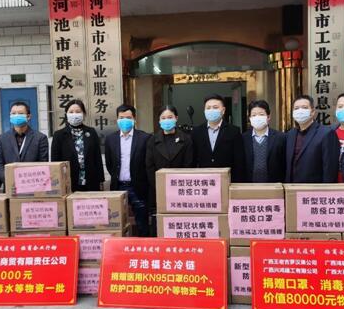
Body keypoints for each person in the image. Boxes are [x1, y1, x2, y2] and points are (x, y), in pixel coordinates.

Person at [146, 105, 194, 233]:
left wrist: (177, 187)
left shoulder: (186, 139)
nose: (166, 120)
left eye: (170, 117)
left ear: (176, 118)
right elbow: (149, 166)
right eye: (163, 118)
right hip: (158, 191)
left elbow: (189, 165)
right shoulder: (152, 140)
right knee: (159, 226)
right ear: (159, 120)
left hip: (181, 190)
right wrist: (160, 186)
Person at [104, 105, 151, 236]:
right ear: (117, 119)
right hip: (118, 186)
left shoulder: (145, 138)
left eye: (128, 118)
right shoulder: (110, 139)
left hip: (138, 187)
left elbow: (147, 163)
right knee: (116, 222)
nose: (125, 120)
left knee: (142, 224)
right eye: (121, 118)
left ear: (134, 119)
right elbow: (109, 163)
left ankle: (143, 246)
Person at [51, 99, 104, 192]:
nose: (74, 114)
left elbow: (97, 158)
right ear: (66, 114)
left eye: (78, 112)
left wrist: (101, 180)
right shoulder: (59, 135)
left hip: (91, 182)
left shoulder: (91, 132)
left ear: (84, 114)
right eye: (71, 112)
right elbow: (55, 161)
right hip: (69, 182)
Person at [191, 94, 245, 182]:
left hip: (226, 180)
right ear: (204, 111)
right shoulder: (197, 132)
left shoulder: (234, 131)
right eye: (208, 108)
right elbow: (193, 159)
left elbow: (239, 161)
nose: (211, 110)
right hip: (203, 181)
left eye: (215, 107)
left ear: (223, 110)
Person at [285, 95, 339, 183]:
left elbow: (330, 169)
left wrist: (327, 189)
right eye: (296, 108)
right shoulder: (290, 134)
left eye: (304, 107)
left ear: (313, 112)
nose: (300, 111)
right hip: (291, 188)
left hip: (314, 189)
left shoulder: (326, 133)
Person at [0, 101, 48, 185]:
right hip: (10, 185)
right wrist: (9, 180)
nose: (16, 116)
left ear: (28, 116)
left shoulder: (40, 138)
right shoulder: (1, 139)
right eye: (13, 113)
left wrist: (28, 181)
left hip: (33, 185)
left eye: (20, 113)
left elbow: (43, 163)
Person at [242, 99, 286, 183]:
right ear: (249, 118)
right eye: (254, 115)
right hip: (249, 185)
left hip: (274, 186)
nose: (257, 117)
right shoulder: (243, 139)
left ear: (268, 117)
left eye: (261, 114)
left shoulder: (281, 137)